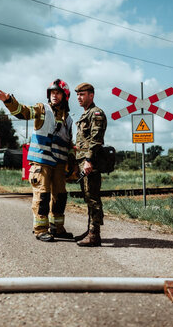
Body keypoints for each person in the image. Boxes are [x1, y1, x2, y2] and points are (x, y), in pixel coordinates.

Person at [0, 79, 75, 242]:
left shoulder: (69, 120)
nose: (54, 95)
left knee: (60, 196)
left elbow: (70, 145)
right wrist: (9, 101)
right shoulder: (42, 109)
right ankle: (40, 229)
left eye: (58, 93)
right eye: (52, 92)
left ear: (65, 96)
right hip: (41, 162)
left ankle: (57, 228)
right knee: (42, 195)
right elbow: (23, 112)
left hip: (59, 165)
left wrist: (72, 164)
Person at [74, 82, 107, 247]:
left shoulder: (96, 113)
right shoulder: (85, 114)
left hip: (90, 162)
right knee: (88, 196)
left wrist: (89, 160)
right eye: (78, 95)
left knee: (93, 197)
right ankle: (90, 231)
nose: (79, 98)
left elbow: (96, 139)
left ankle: (95, 234)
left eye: (82, 94)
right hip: (83, 161)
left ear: (91, 95)